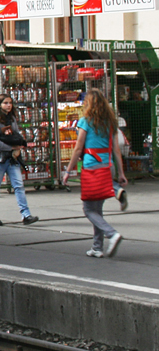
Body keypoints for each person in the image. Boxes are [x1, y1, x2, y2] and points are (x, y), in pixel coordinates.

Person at [62, 89, 127, 258]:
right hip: (108, 167)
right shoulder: (110, 122)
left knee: (88, 209)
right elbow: (116, 150)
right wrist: (121, 173)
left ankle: (112, 234)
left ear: (88, 104)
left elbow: (78, 149)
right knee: (97, 209)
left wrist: (68, 170)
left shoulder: (85, 122)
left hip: (92, 168)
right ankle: (97, 247)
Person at [0, 93, 39, 226]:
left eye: (10, 103)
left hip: (11, 158)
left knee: (19, 185)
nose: (8, 105)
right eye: (5, 103)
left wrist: (19, 143)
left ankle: (26, 215)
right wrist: (11, 148)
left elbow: (16, 134)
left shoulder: (12, 119)